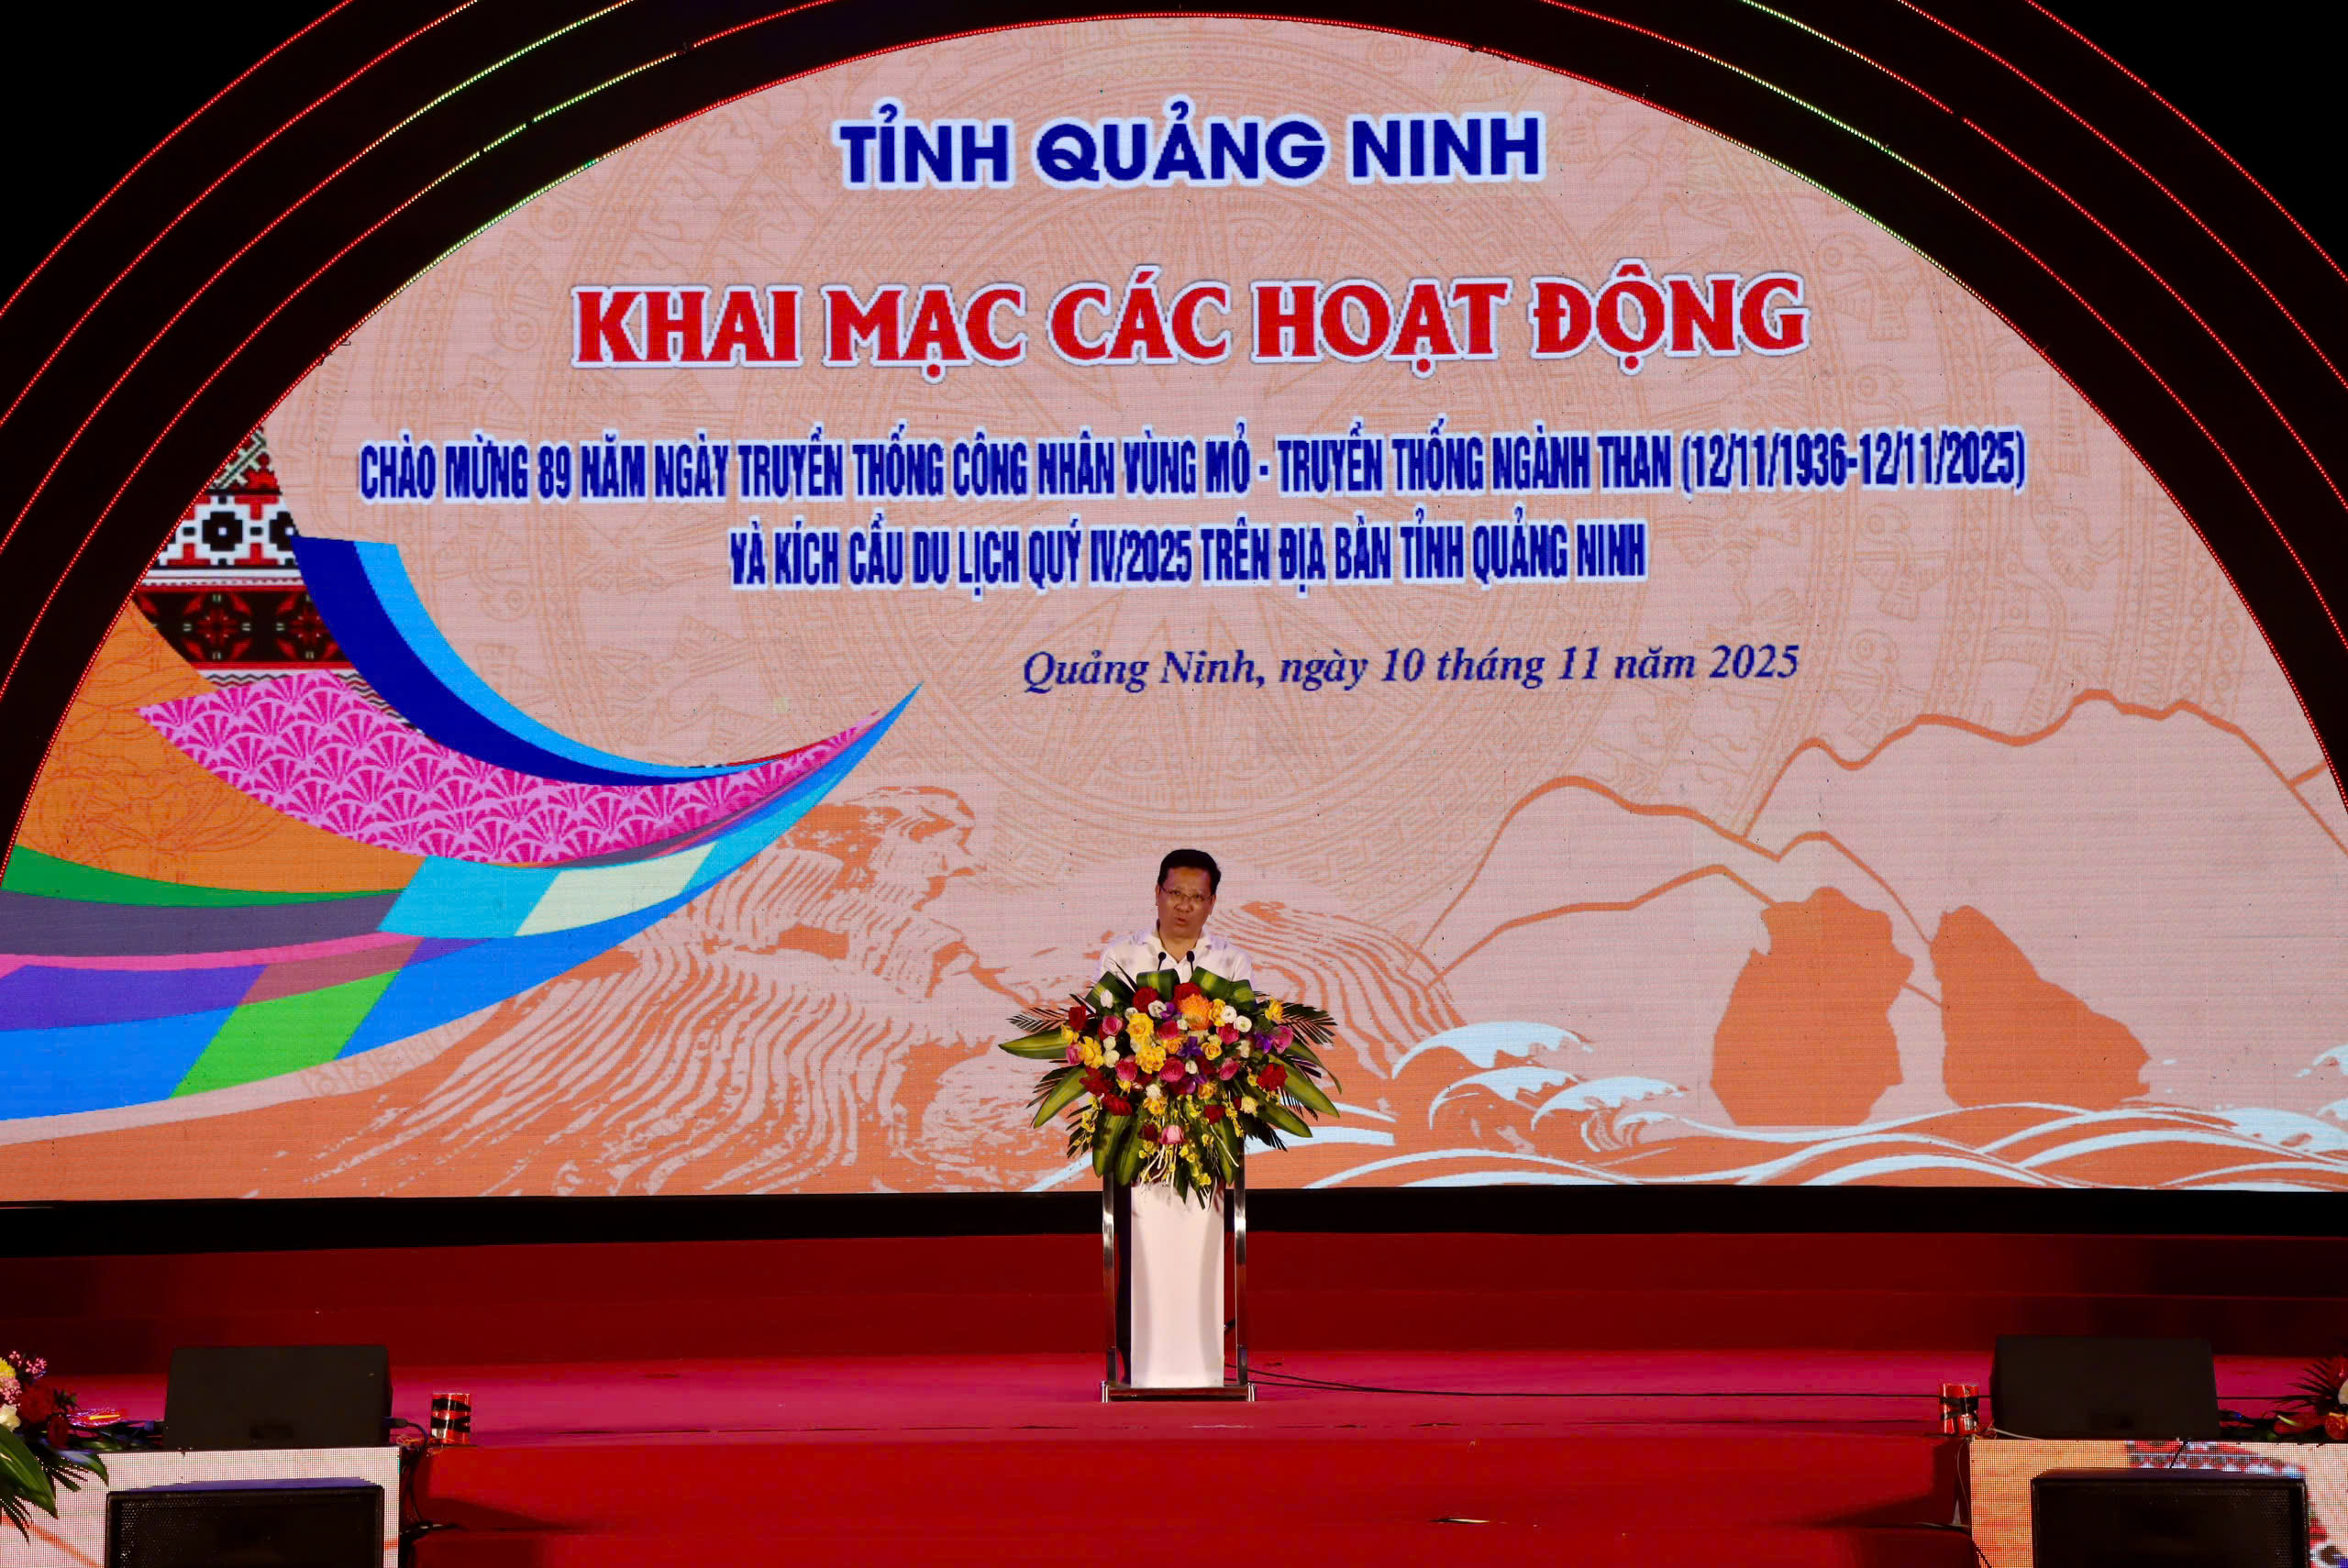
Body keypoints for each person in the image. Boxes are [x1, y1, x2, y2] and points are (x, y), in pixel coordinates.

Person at [1100, 848, 1251, 987]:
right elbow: (1100, 1008)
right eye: (1176, 893)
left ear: (1211, 902)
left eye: (1197, 897)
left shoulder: (1234, 962)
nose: (1184, 906)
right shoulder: (1118, 956)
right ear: (1158, 893)